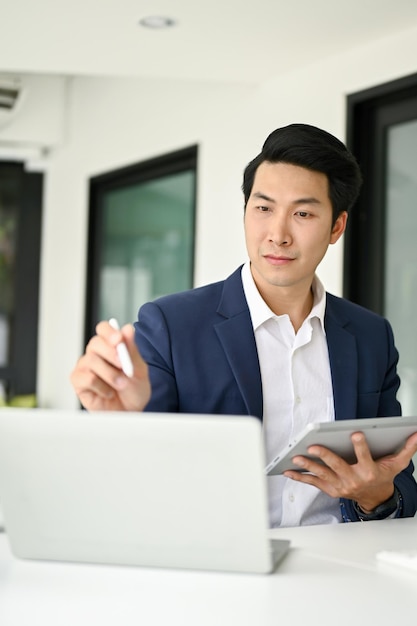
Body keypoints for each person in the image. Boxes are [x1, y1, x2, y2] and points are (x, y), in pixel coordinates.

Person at [71, 123, 417, 527]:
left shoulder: (371, 336)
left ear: (336, 226)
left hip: (341, 570)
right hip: (220, 567)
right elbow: (137, 485)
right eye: (263, 208)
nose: (277, 234)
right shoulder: (171, 325)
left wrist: (376, 495)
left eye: (302, 213)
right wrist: (123, 426)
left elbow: (400, 484)